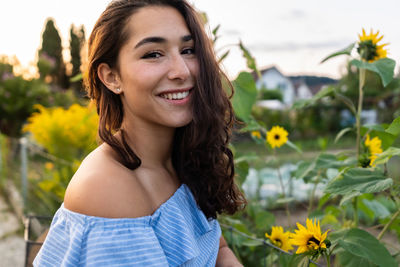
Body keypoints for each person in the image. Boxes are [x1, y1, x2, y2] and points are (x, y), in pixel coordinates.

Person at [34, 0, 246, 266]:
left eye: (188, 50)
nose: (181, 71)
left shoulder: (179, 158)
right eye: (153, 54)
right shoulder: (106, 190)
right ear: (112, 77)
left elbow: (216, 249)